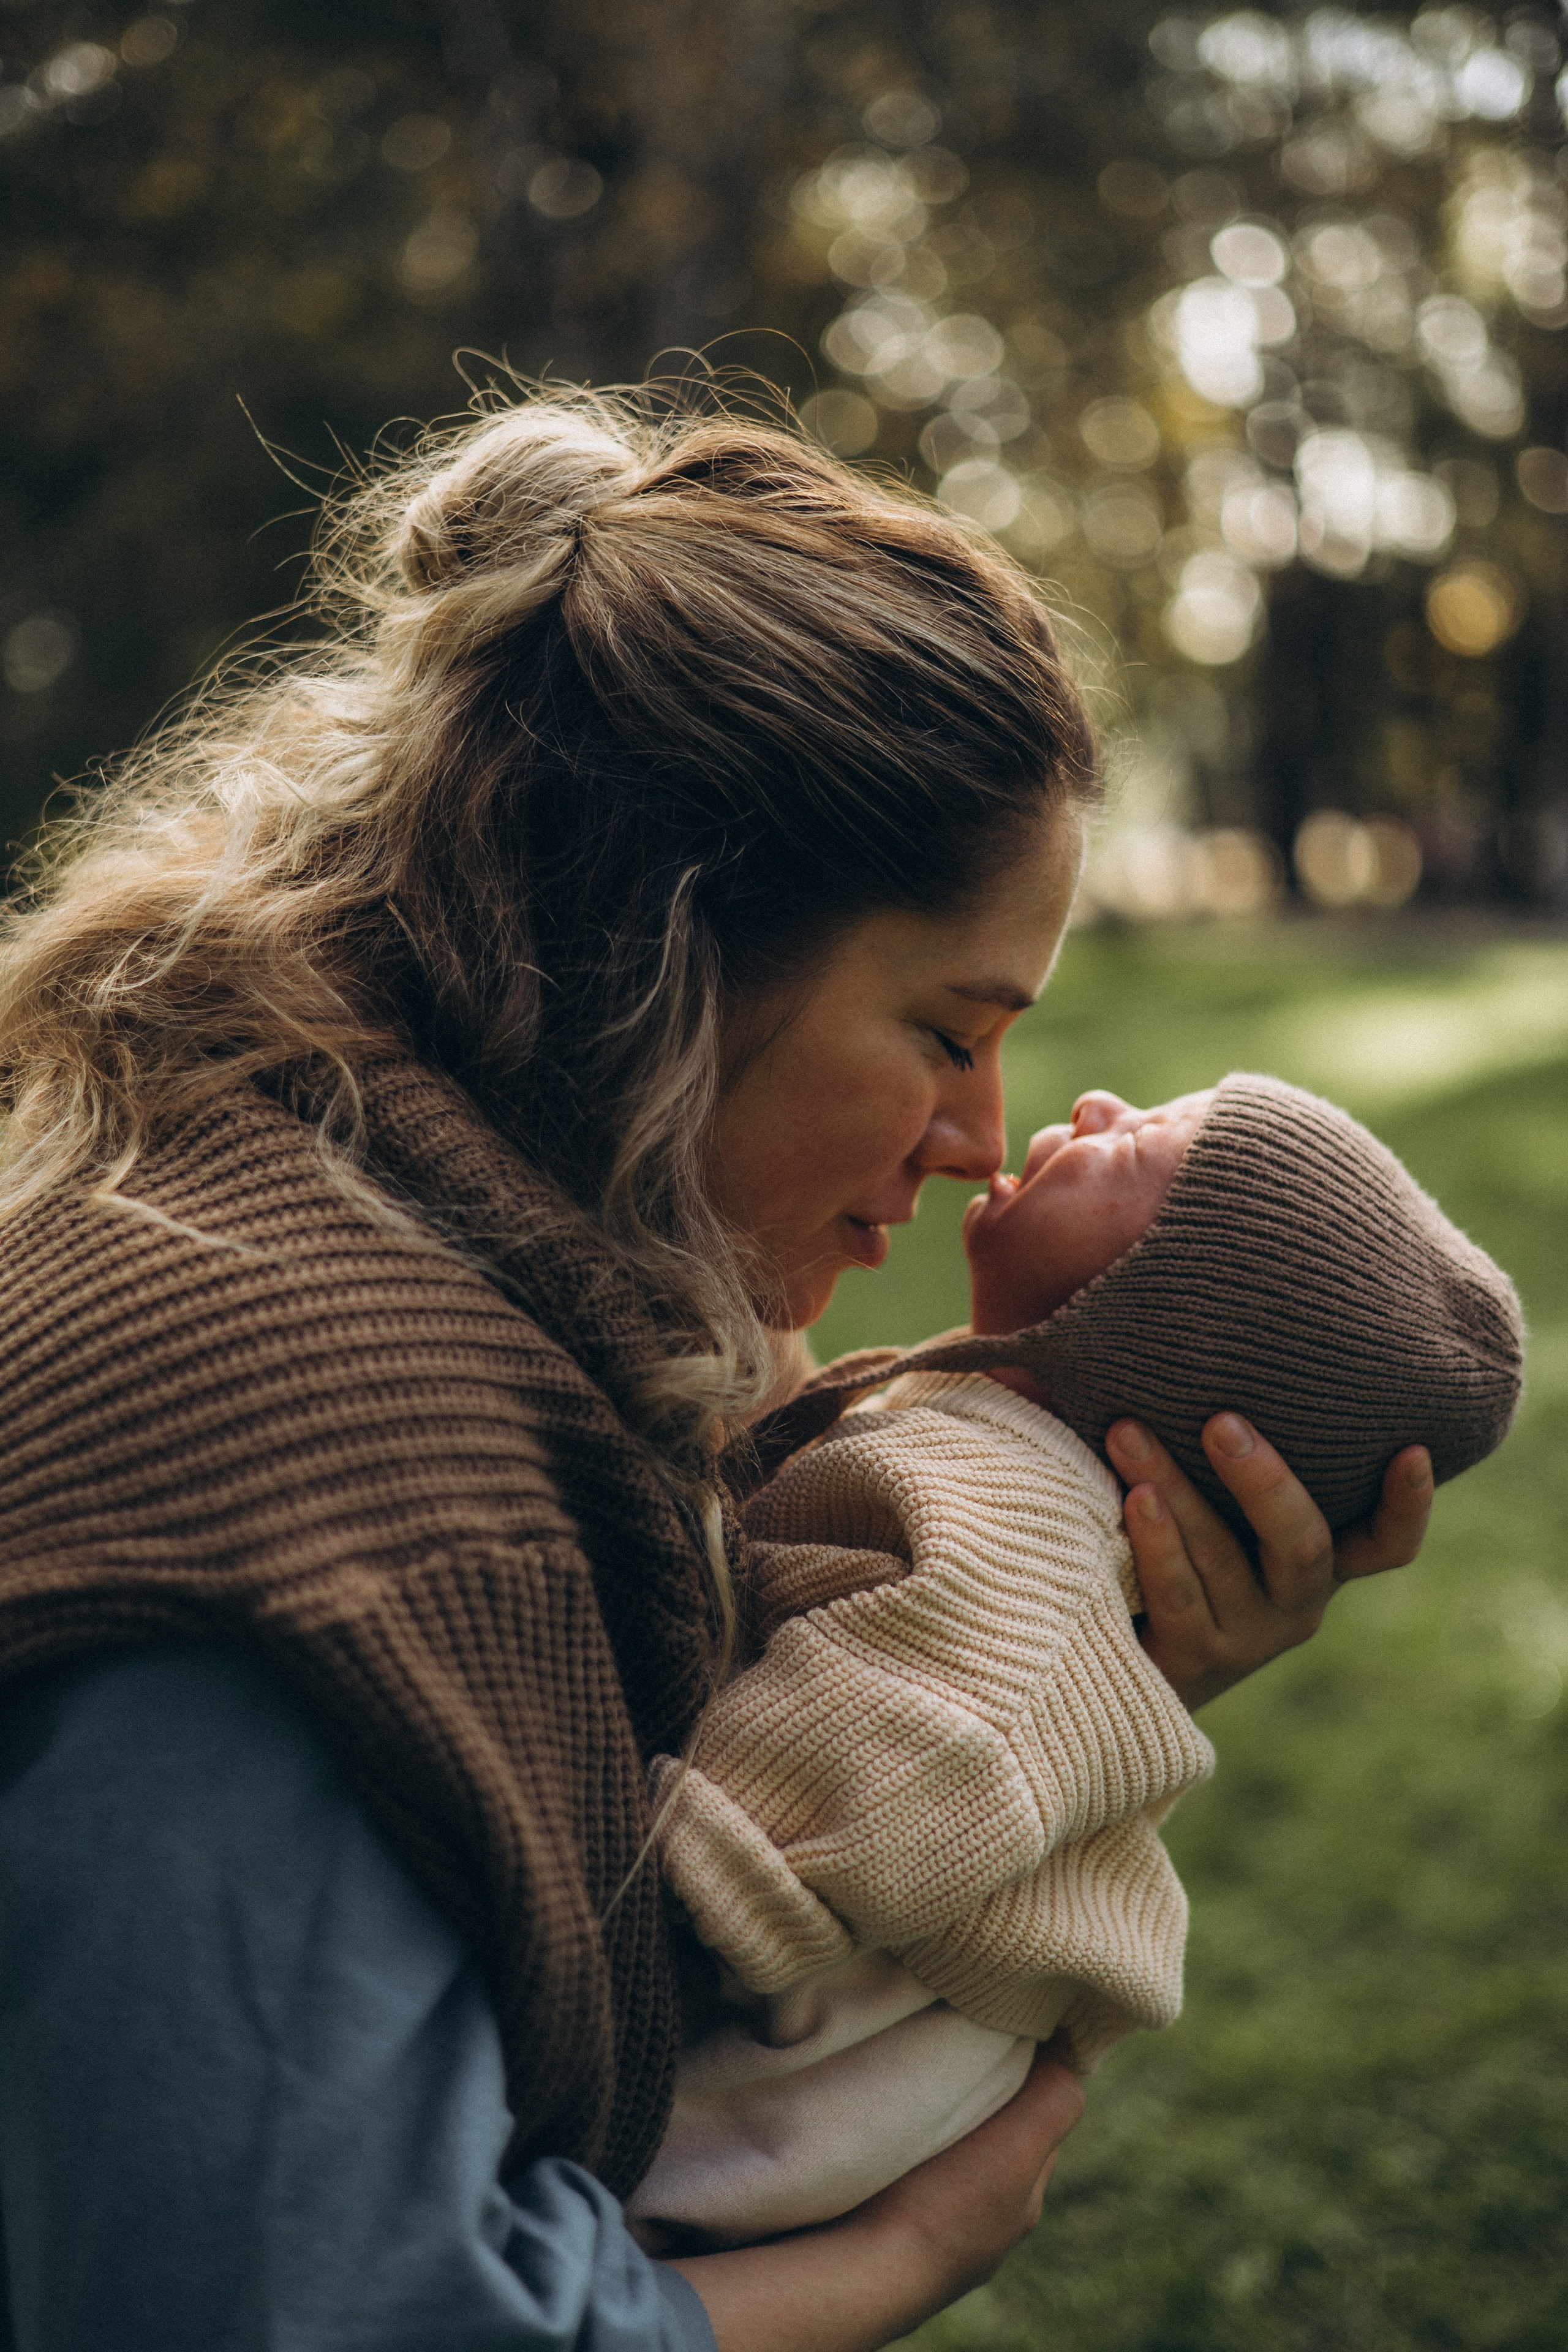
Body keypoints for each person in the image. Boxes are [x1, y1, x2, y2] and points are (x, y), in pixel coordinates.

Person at [0, 393, 1436, 2352]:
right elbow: (304, 2304)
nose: (975, 1140)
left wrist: (1087, 1662)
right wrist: (902, 2262)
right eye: (948, 1028)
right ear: (666, 954)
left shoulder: (345, 1198)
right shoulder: (316, 1459)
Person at [630, 1074, 1523, 2249]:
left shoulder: (1018, 1530)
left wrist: (663, 1886)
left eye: (1145, 1144)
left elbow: (912, 1758)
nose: (1098, 1102)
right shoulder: (990, 1446)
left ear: (1163, 1320)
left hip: (798, 2063)